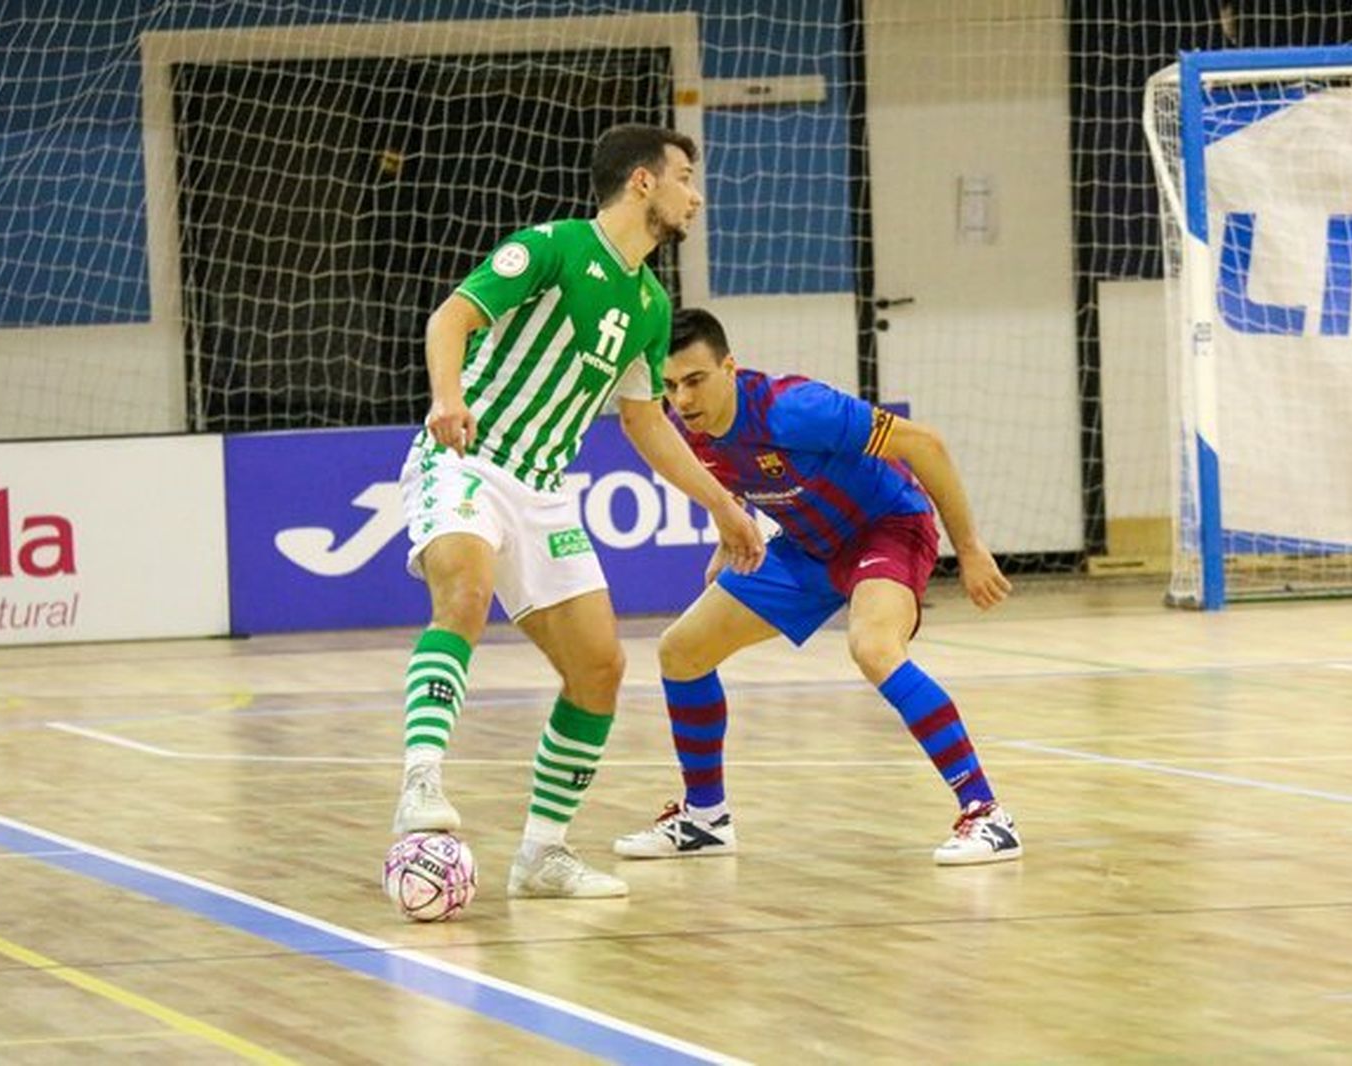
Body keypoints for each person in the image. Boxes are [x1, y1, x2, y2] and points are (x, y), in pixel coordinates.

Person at [393, 126, 766, 900]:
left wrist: (723, 505)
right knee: (464, 591)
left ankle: (542, 854)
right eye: (684, 177)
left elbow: (645, 422)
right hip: (467, 458)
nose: (695, 196)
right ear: (642, 182)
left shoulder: (650, 304)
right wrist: (448, 399)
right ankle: (421, 781)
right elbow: (450, 318)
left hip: (542, 489)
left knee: (599, 667)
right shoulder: (552, 248)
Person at [613, 307, 1022, 866]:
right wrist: (728, 534)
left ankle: (988, 814)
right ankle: (706, 819)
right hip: (806, 547)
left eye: (695, 380)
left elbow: (925, 444)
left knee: (873, 647)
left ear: (729, 368)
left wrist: (969, 548)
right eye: (670, 385)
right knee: (681, 651)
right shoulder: (695, 430)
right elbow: (733, 478)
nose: (682, 400)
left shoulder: (796, 408)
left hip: (886, 527)